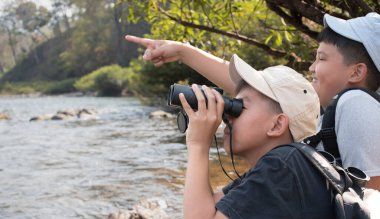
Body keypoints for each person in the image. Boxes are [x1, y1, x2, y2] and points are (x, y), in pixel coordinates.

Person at [125, 12, 380, 190]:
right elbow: (256, 93)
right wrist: (182, 51)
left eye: (322, 59)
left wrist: (199, 145)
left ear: (356, 72)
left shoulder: (355, 103)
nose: (312, 67)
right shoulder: (331, 113)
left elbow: (372, 203)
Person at [161, 54, 339, 219]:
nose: (227, 115)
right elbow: (199, 218)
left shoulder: (285, 166)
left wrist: (198, 145)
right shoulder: (282, 167)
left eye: (239, 107)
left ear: (277, 124)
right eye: (231, 104)